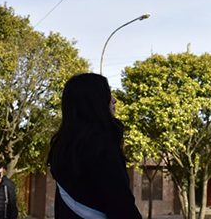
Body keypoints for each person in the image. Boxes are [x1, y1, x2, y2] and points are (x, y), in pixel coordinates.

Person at [48, 73, 142, 218]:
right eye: (107, 94)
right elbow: (121, 205)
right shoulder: (102, 147)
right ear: (94, 101)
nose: (114, 100)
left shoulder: (61, 148)